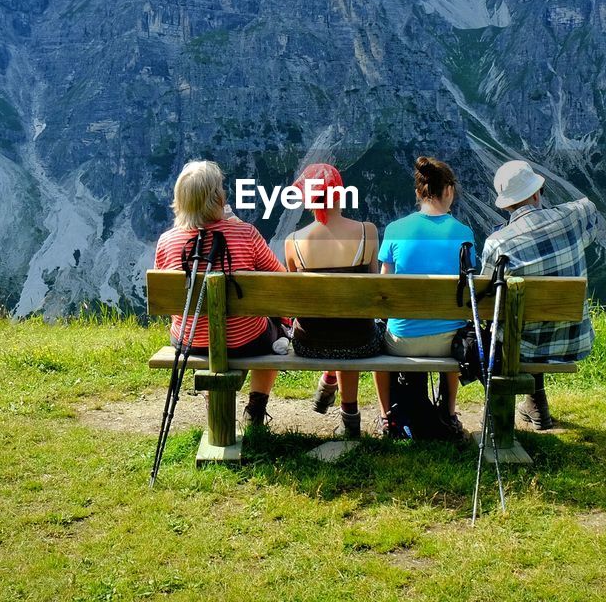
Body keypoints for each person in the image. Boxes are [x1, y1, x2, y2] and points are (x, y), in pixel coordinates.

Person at [154, 160, 284, 428]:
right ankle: (256, 410)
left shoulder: (167, 241)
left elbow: (169, 300)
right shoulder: (246, 233)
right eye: (221, 189)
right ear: (216, 199)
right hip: (246, 340)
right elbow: (279, 280)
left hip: (190, 341)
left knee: (197, 326)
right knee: (276, 329)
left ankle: (213, 407)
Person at [481, 160, 597, 431]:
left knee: (509, 326)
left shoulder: (498, 243)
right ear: (536, 193)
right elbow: (590, 207)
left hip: (520, 346)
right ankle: (536, 403)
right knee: (531, 323)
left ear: (507, 205)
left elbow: (486, 302)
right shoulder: (571, 217)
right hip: (572, 340)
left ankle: (498, 419)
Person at [374, 156, 474, 436]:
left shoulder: (395, 230)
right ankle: (450, 413)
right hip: (448, 344)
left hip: (402, 342)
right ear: (449, 191)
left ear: (418, 192)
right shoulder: (464, 234)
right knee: (456, 326)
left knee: (378, 338)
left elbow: (385, 288)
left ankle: (386, 417)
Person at [283, 163, 380, 439]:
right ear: (341, 194)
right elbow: (372, 291)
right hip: (360, 341)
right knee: (348, 326)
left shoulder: (293, 241)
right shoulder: (367, 232)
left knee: (333, 326)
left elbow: (295, 301)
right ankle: (349, 418)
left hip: (310, 344)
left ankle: (329, 380)